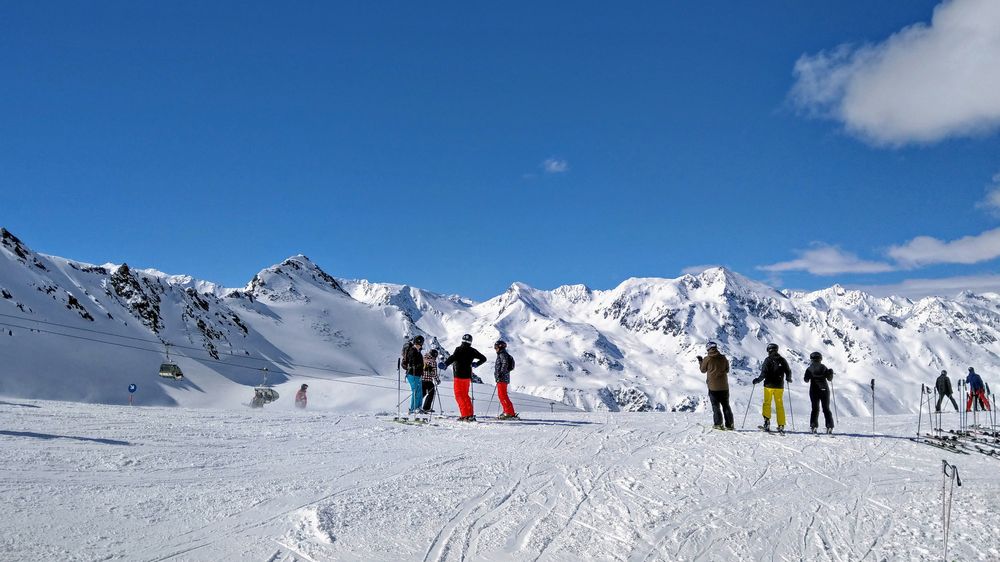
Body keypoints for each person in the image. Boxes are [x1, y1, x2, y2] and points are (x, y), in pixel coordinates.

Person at [444, 334, 487, 421]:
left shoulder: (459, 349)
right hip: (467, 377)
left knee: (459, 395)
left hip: (459, 376)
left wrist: (445, 364)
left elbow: (453, 357)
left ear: (462, 340)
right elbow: (483, 358)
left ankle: (464, 415)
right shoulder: (472, 351)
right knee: (465, 395)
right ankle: (470, 414)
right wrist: (476, 364)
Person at [752, 343, 792, 433]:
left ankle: (767, 423)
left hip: (768, 386)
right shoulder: (782, 360)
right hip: (779, 386)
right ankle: (781, 425)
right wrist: (788, 378)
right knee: (779, 405)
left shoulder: (768, 360)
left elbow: (764, 374)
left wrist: (757, 380)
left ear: (769, 350)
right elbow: (788, 371)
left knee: (767, 404)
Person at [697, 341, 733, 430]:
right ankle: (730, 425)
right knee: (726, 405)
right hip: (724, 387)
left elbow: (703, 370)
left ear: (708, 349)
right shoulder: (723, 358)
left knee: (715, 406)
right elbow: (727, 370)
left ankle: (718, 424)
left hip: (713, 387)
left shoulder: (707, 359)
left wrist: (701, 361)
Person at [803, 352, 834, 433]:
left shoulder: (809, 369)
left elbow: (806, 380)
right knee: (826, 409)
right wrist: (830, 372)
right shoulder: (824, 367)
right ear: (820, 358)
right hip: (824, 390)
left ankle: (813, 426)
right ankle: (829, 426)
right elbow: (829, 379)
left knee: (815, 409)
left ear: (811, 359)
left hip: (814, 390)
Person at [494, 340, 518, 419]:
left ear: (500, 347)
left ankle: (509, 413)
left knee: (502, 396)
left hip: (502, 378)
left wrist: (501, 373)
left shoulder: (502, 354)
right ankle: (508, 411)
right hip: (503, 378)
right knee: (502, 395)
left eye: (496, 347)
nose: (495, 349)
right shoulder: (503, 354)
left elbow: (505, 363)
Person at [405, 335, 426, 414]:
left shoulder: (417, 351)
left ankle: (419, 407)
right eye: (420, 343)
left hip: (417, 374)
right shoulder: (412, 351)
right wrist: (421, 365)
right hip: (412, 374)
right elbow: (412, 363)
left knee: (420, 391)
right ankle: (413, 408)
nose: (420, 345)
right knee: (416, 391)